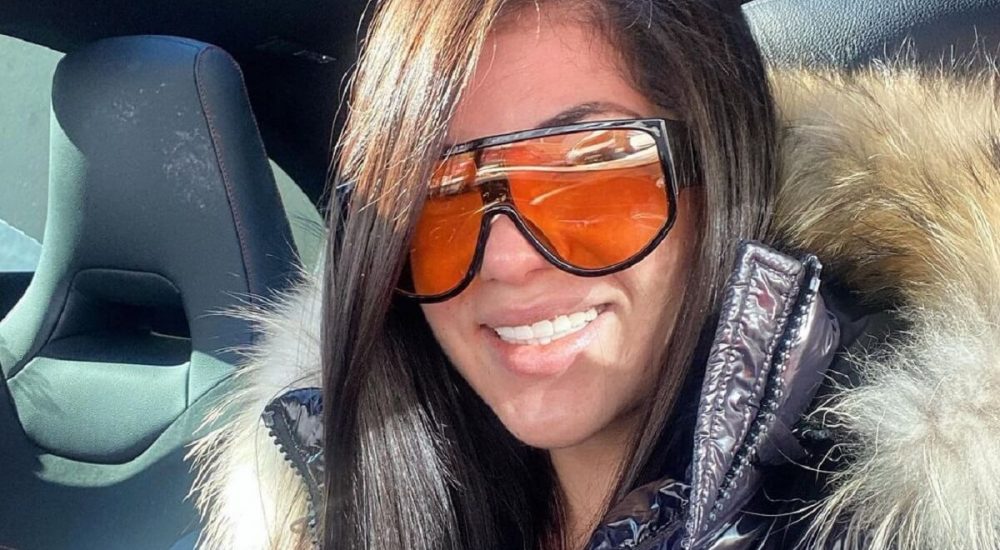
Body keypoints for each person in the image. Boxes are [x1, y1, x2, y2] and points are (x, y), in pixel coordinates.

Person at [189, 0, 1000, 548]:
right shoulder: (329, 493)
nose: (505, 261)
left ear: (720, 177)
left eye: (590, 172)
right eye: (437, 201)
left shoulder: (911, 509)